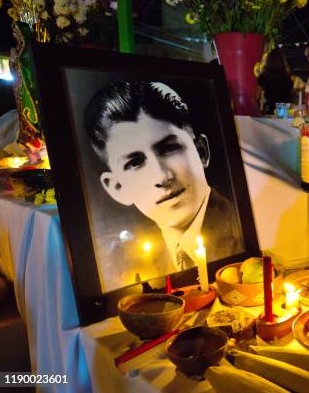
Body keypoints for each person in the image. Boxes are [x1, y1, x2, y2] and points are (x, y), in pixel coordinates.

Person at [84, 81, 243, 278]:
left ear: (201, 152)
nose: (162, 176)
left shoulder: (244, 236)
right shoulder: (129, 267)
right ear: (117, 188)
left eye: (169, 149)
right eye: (135, 162)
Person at [257, 48, 294, 115]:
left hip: (269, 111)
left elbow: (257, 96)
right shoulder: (287, 79)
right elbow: (290, 97)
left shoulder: (264, 77)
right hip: (284, 112)